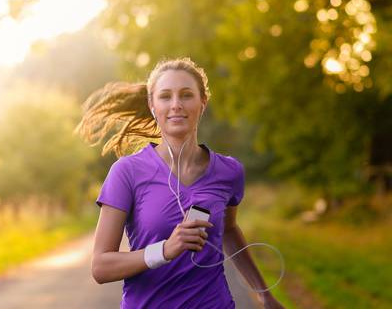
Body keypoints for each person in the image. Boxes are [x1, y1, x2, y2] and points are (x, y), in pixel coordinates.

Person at [75, 58, 284, 308]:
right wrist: (165, 250)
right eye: (165, 96)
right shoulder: (127, 172)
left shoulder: (229, 172)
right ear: (152, 105)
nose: (176, 105)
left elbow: (227, 230)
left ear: (202, 103)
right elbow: (101, 267)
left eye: (186, 95)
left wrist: (264, 294)